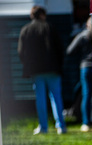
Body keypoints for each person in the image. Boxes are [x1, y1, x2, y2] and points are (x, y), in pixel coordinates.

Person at [18, 6, 67, 135]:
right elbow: (60, 48)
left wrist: (28, 66)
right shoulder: (50, 28)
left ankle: (43, 127)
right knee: (56, 97)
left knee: (40, 98)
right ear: (42, 15)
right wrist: (59, 65)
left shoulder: (26, 30)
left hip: (36, 70)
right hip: (52, 69)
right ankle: (61, 126)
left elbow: (21, 52)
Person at [66, 17, 92, 132]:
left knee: (86, 95)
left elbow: (70, 51)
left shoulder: (82, 36)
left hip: (86, 67)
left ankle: (86, 122)